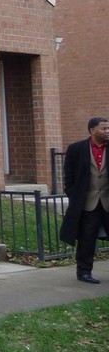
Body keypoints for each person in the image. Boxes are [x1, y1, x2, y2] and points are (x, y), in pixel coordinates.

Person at [60, 116, 109, 283]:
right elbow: (69, 177)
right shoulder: (76, 149)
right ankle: (84, 272)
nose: (107, 131)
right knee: (86, 238)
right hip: (88, 203)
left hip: (108, 201)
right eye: (104, 129)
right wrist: (74, 197)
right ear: (92, 130)